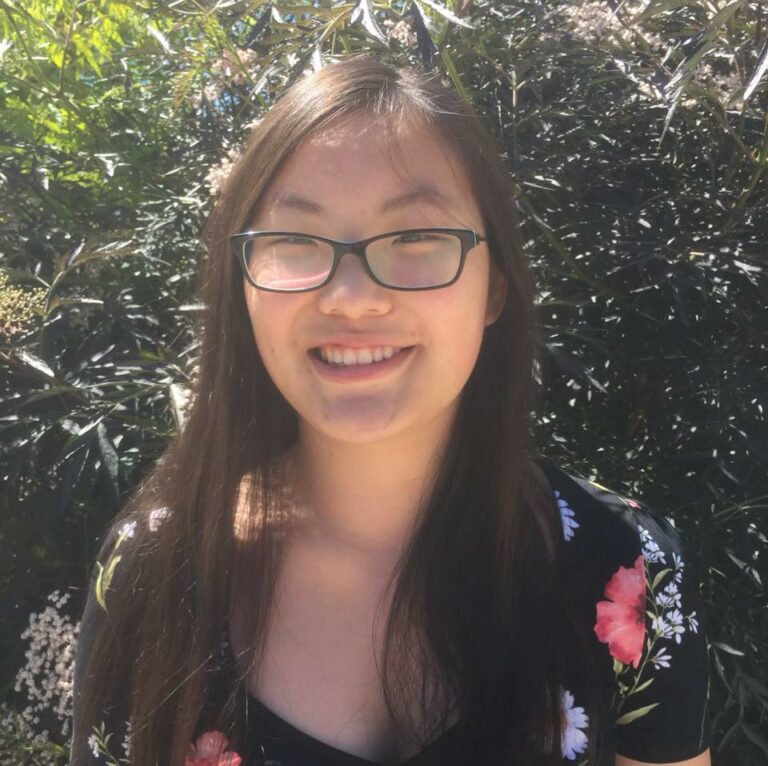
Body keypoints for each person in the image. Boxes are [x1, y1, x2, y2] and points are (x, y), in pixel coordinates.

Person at [70, 56, 711, 766]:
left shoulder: (628, 571)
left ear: (495, 287)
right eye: (296, 240)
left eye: (414, 237)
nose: (351, 298)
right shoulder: (156, 567)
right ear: (242, 287)